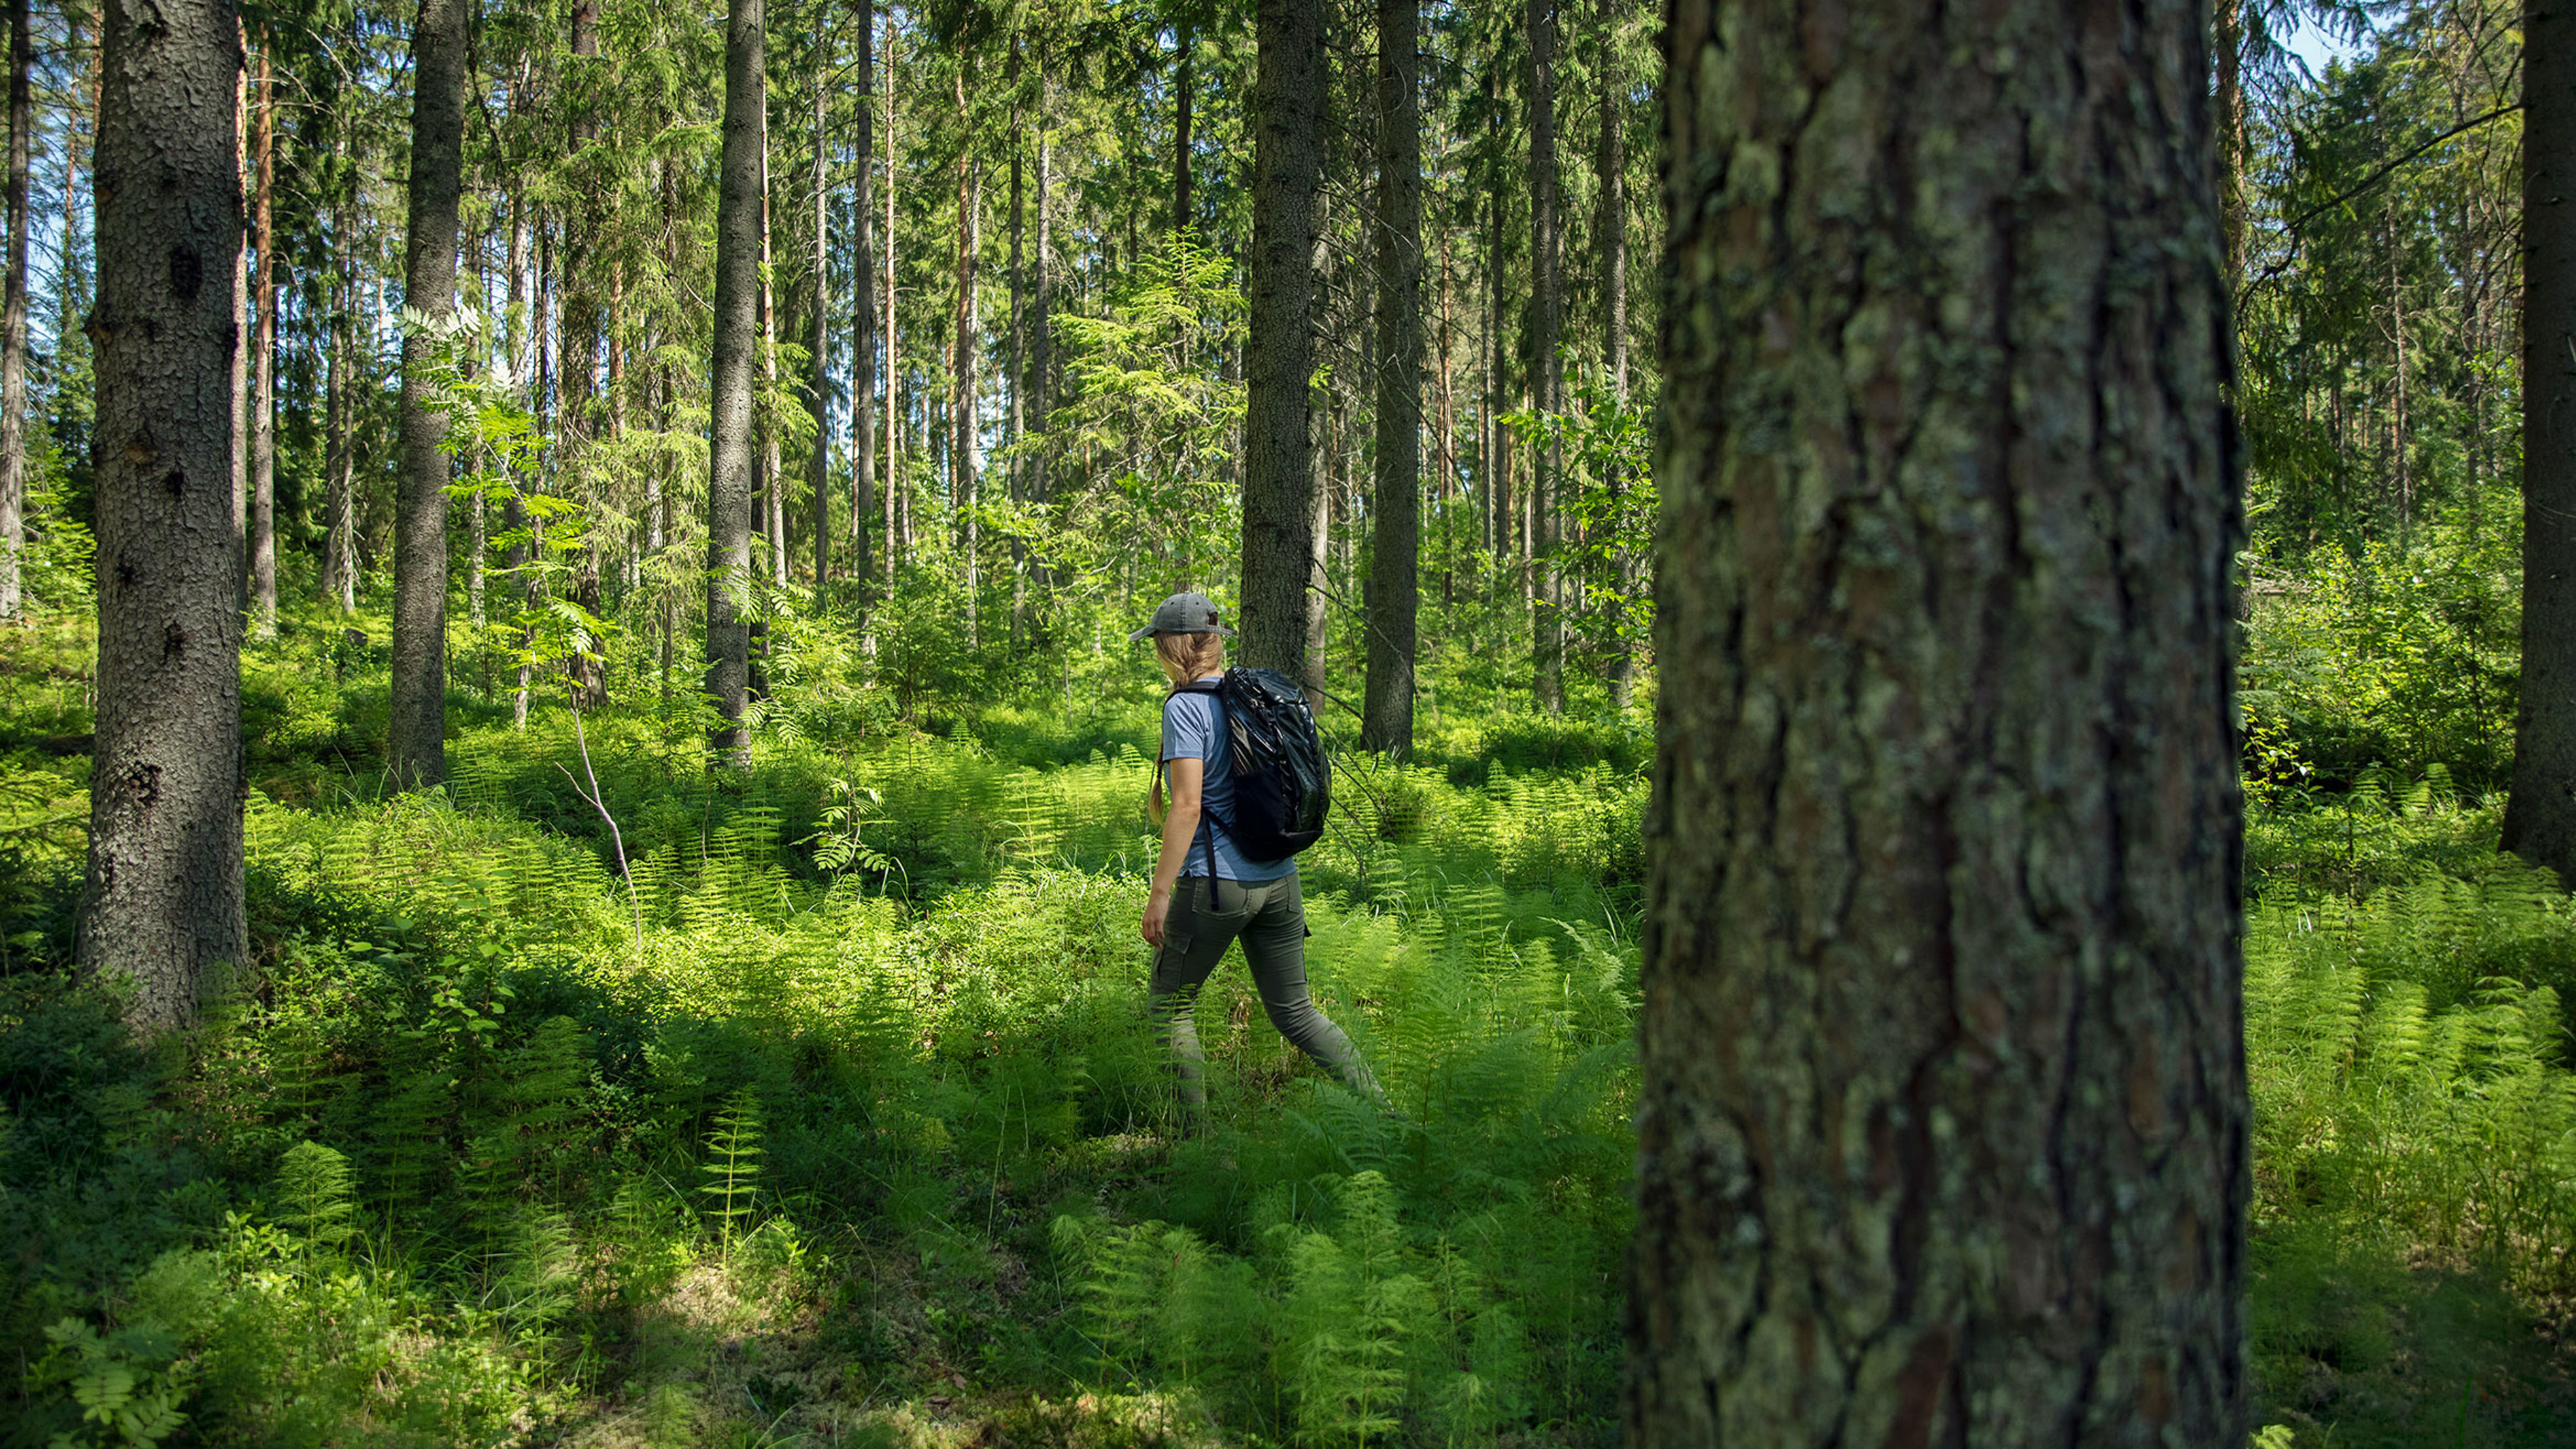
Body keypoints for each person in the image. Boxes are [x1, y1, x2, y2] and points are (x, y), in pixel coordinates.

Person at [1133, 591, 1380, 1130]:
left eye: (1157, 644)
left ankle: (1191, 1143)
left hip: (1218, 886)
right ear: (1215, 643)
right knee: (1297, 1012)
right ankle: (1383, 1111)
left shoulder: (1185, 706)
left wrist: (1159, 894)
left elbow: (1187, 805)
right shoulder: (1254, 694)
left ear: (1173, 646)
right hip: (1280, 881)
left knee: (1170, 1007)